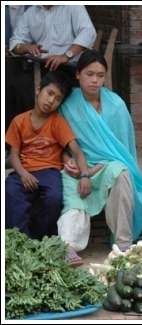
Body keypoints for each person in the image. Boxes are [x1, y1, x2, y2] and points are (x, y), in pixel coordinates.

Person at [58, 50, 142, 265]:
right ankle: (68, 246)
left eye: (100, 75)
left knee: (122, 173)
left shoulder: (116, 105)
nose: (95, 80)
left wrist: (94, 170)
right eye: (89, 74)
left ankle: (123, 244)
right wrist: (67, 160)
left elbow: (122, 150)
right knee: (72, 190)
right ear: (78, 75)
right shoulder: (68, 104)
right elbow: (61, 141)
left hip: (106, 164)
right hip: (79, 165)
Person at [5, 71, 91, 239]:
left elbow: (77, 152)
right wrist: (23, 174)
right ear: (38, 90)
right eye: (49, 93)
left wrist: (85, 175)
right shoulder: (19, 121)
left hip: (49, 171)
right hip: (24, 171)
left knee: (54, 198)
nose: (51, 101)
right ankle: (20, 241)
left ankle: (41, 240)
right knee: (10, 192)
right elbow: (13, 155)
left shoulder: (57, 122)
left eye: (57, 98)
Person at [9, 5, 96, 71]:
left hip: (68, 66)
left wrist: (66, 56)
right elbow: (15, 41)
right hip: (39, 65)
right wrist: (27, 47)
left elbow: (88, 32)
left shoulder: (73, 6)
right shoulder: (30, 12)